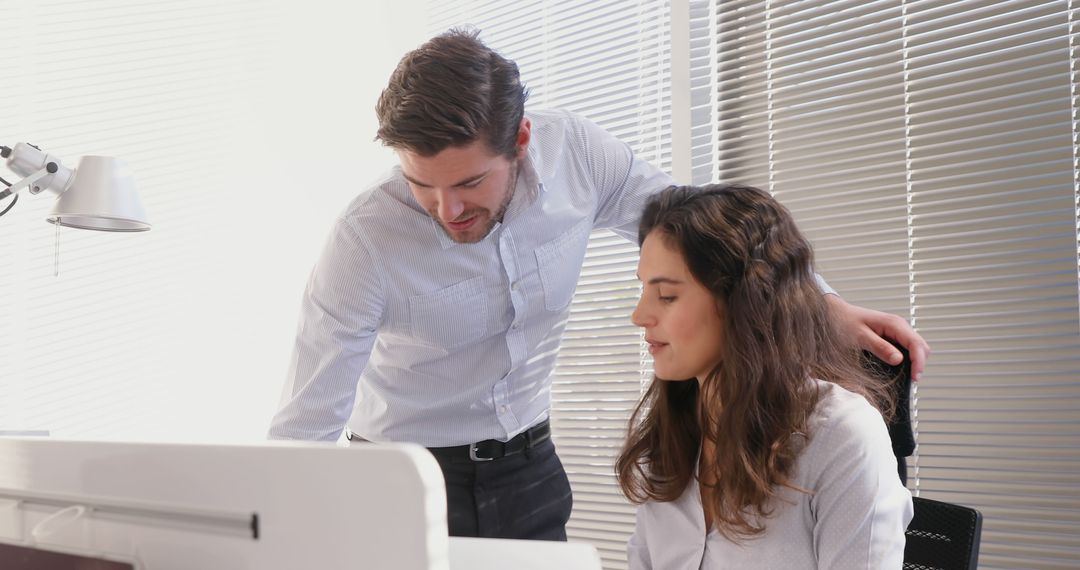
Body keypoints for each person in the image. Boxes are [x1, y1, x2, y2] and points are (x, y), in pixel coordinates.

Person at [268, 29, 928, 541]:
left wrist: (822, 305)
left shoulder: (575, 154)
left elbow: (701, 225)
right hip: (402, 482)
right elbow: (307, 421)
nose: (448, 211)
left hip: (529, 471)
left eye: (469, 183)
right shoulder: (363, 240)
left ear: (521, 140)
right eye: (422, 187)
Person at [618, 184, 914, 568]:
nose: (639, 315)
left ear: (743, 300)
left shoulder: (842, 435)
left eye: (667, 296)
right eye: (643, 289)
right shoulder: (672, 431)